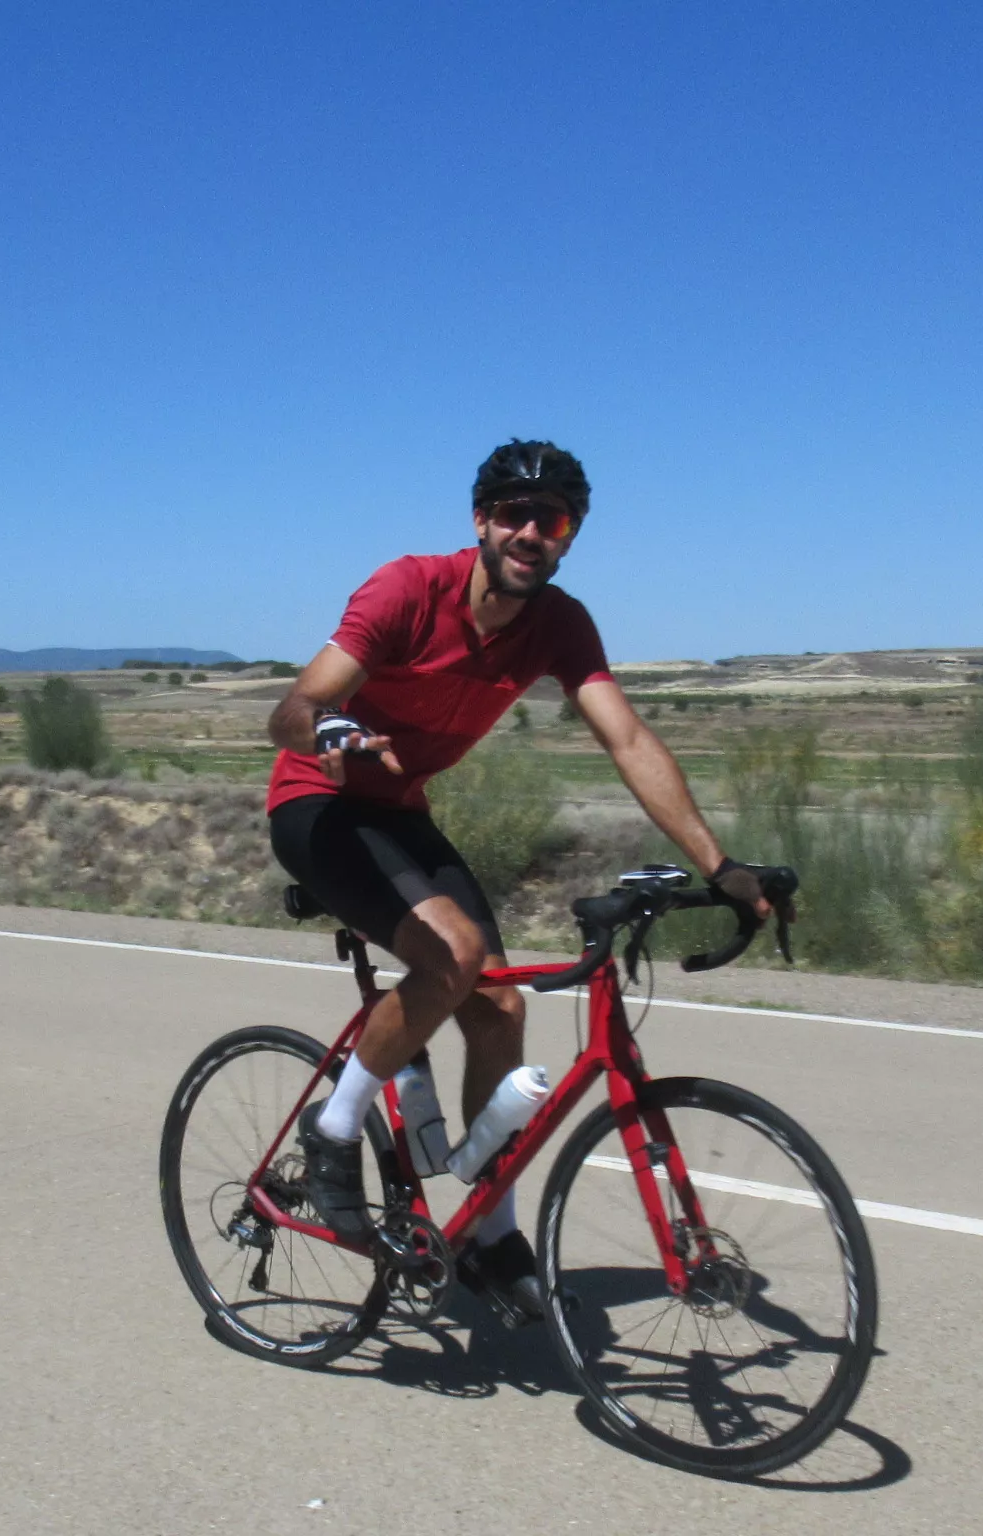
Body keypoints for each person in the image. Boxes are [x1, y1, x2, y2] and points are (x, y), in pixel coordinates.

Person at [264, 439, 775, 1322]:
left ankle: (488, 1235)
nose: (531, 531)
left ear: (570, 535)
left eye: (553, 520)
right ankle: (334, 1126)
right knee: (453, 956)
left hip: (400, 816)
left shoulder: (560, 624)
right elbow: (292, 709)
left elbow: (628, 741)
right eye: (514, 514)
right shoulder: (406, 588)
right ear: (481, 521)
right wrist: (334, 732)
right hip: (319, 803)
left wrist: (719, 865)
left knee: (500, 1004)